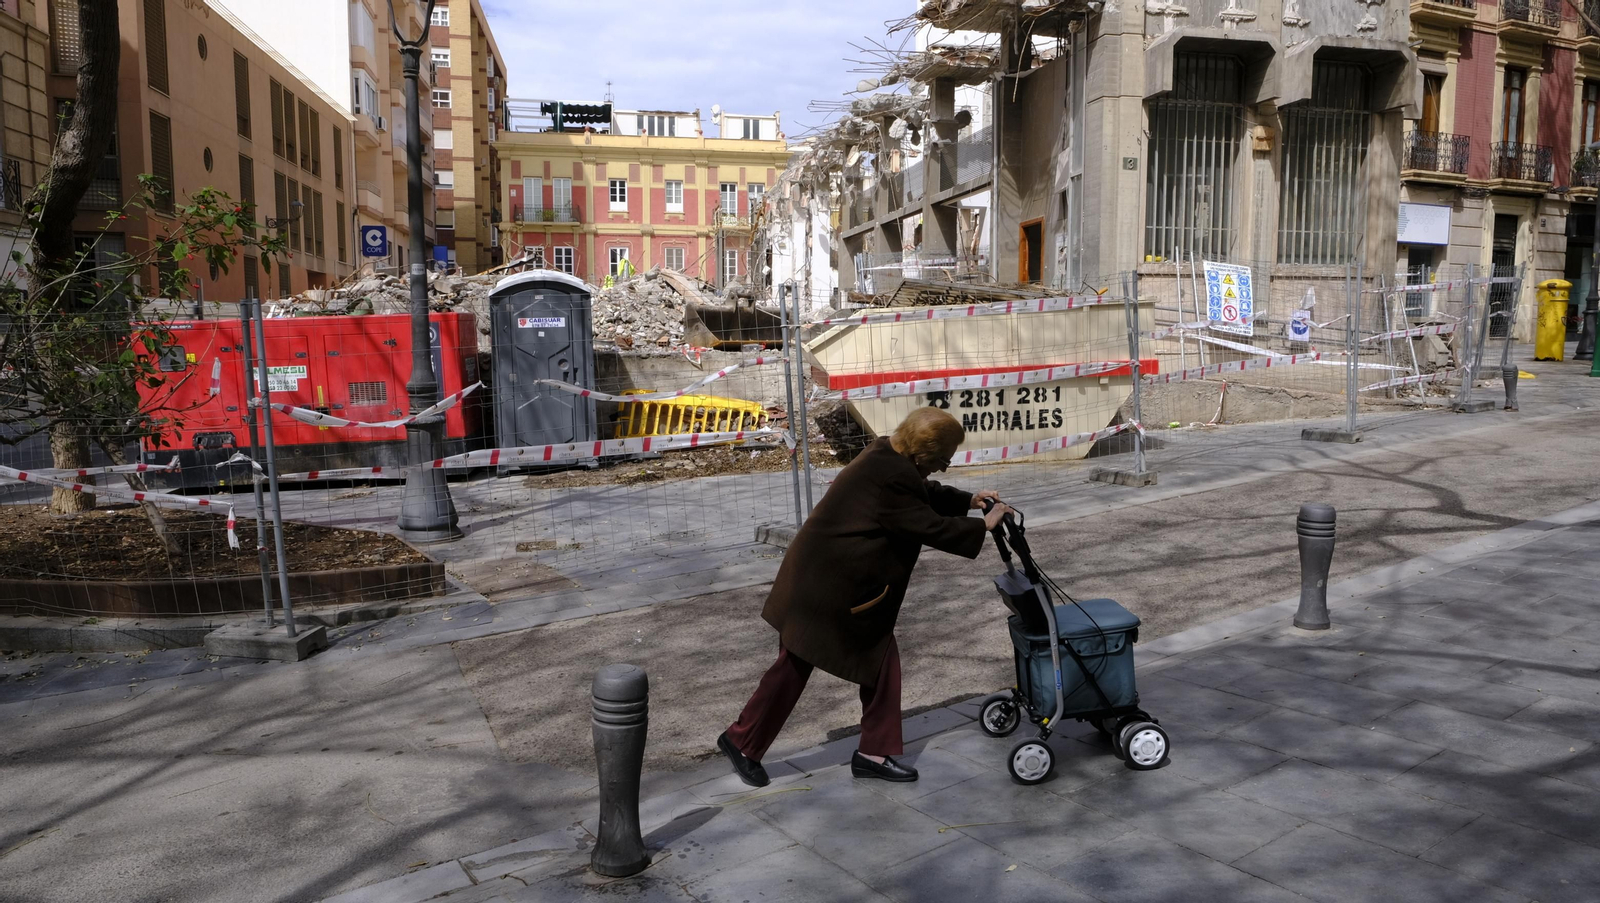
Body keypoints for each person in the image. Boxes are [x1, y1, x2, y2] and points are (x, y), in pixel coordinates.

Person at [717, 408, 1012, 785]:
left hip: (821, 579)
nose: (942, 467)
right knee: (829, 661)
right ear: (921, 453)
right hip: (830, 587)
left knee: (830, 661)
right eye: (941, 459)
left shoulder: (885, 453)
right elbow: (924, 523)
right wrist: (980, 526)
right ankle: (750, 741)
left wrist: (968, 500)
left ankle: (759, 741)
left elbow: (920, 491)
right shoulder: (894, 477)